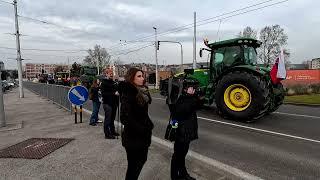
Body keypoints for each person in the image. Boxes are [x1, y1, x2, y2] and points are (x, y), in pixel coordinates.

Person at [119, 68, 153, 180]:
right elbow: (125, 117)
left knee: (140, 161)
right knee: (134, 166)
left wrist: (148, 125)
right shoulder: (128, 92)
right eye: (139, 76)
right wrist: (142, 128)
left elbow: (143, 114)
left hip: (142, 135)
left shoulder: (142, 91)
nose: (142, 78)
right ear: (131, 77)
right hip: (133, 137)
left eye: (142, 76)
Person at [169, 86, 202, 180]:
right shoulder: (175, 97)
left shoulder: (186, 97)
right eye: (187, 87)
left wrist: (194, 96)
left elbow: (198, 106)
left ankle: (183, 174)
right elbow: (183, 110)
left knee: (182, 154)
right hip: (180, 131)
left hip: (187, 130)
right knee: (177, 155)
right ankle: (175, 177)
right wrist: (190, 96)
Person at [100, 68, 119, 139]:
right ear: (106, 74)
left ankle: (112, 131)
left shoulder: (113, 82)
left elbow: (117, 90)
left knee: (112, 119)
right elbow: (104, 93)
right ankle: (107, 134)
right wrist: (114, 93)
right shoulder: (104, 83)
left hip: (114, 103)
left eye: (112, 73)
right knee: (108, 119)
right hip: (107, 103)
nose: (111, 74)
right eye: (110, 73)